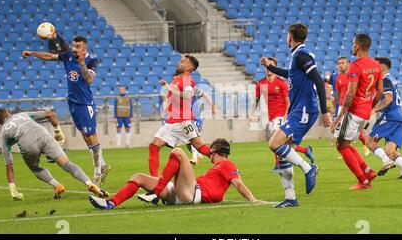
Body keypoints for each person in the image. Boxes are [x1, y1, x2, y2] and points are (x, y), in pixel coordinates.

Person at [21, 36, 111, 186]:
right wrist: (32, 53)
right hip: (73, 103)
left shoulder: (91, 61)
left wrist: (81, 62)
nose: (74, 49)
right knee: (85, 135)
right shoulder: (68, 56)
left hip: (85, 103)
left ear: (84, 49)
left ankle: (97, 173)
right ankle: (102, 164)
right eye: (74, 46)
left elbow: (89, 79)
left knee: (91, 135)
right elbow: (50, 56)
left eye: (77, 47)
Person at [260, 23, 330, 208]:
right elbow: (290, 74)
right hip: (299, 109)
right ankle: (290, 198)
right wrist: (270, 67)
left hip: (304, 109)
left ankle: (309, 168)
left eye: (286, 35)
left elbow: (318, 80)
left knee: (274, 143)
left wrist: (325, 111)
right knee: (283, 153)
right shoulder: (297, 55)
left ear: (290, 36)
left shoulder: (302, 54)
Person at [88, 138, 266, 209]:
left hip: (193, 193)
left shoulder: (227, 164)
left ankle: (156, 192)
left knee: (179, 152)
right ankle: (110, 203)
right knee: (138, 177)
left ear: (213, 151)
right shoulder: (217, 168)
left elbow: (239, 184)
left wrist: (253, 200)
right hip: (183, 192)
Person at [0, 109, 108, 200]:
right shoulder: (22, 114)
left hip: (27, 144)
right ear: (8, 113)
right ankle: (89, 183)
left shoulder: (4, 131)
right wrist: (58, 132)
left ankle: (57, 185)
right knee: (67, 164)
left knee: (35, 169)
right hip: (43, 135)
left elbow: (9, 165)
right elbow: (50, 114)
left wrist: (13, 189)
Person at [331, 34, 383, 190]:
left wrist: (339, 117)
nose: (352, 46)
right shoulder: (376, 65)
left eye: (353, 44)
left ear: (358, 46)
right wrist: (370, 106)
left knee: (341, 146)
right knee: (346, 143)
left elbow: (350, 93)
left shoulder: (355, 65)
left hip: (354, 112)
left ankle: (363, 181)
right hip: (365, 113)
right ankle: (368, 171)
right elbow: (380, 91)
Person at [148, 55, 212, 177]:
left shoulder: (187, 80)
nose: (178, 63)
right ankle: (154, 180)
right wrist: (166, 107)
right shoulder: (176, 80)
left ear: (189, 67)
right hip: (171, 122)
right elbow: (172, 97)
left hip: (183, 122)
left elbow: (187, 96)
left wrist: (169, 89)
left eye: (182, 62)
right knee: (154, 146)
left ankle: (224, 163)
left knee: (200, 147)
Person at [254, 57, 315, 170]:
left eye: (271, 66)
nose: (268, 69)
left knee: (274, 138)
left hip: (281, 114)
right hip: (270, 116)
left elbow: (288, 102)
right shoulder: (261, 84)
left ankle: (278, 165)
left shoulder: (281, 83)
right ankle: (305, 150)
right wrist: (254, 114)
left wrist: (286, 115)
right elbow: (257, 100)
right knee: (282, 143)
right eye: (266, 67)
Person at [365, 57, 402, 179]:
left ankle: (386, 162)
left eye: (376, 65)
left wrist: (374, 110)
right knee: (389, 150)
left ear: (381, 67)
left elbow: (388, 99)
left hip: (390, 117)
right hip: (400, 118)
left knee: (369, 142)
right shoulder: (392, 80)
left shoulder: (385, 80)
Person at [333, 57, 370, 156]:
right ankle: (347, 152)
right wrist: (334, 106)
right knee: (341, 134)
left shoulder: (353, 76)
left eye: (343, 63)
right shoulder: (338, 77)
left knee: (348, 134)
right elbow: (337, 93)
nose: (340, 65)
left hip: (351, 107)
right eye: (339, 63)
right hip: (341, 107)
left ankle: (365, 147)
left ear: (348, 64)